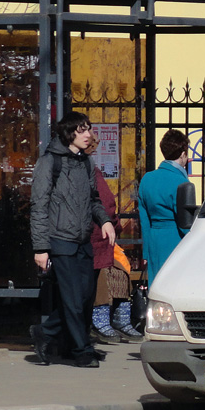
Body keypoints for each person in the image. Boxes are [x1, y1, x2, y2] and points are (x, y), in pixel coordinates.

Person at [30, 111, 116, 368]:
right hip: (60, 241)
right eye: (83, 130)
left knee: (85, 297)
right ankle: (82, 351)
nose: (89, 134)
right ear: (70, 133)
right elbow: (38, 206)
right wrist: (41, 247)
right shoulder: (49, 163)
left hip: (83, 241)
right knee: (73, 299)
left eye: (89, 129)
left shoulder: (86, 163)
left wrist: (106, 221)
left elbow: (93, 201)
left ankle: (45, 332)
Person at [84, 134, 142, 344]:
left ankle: (118, 318)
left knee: (120, 267)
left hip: (101, 237)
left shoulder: (90, 169)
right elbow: (106, 204)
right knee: (103, 276)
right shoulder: (89, 170)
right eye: (93, 144)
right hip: (95, 236)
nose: (96, 148)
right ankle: (102, 320)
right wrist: (113, 224)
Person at [138, 129, 192, 286]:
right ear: (183, 154)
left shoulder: (147, 179)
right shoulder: (181, 182)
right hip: (175, 238)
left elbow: (144, 219)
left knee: (156, 286)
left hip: (154, 239)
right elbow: (185, 222)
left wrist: (146, 251)